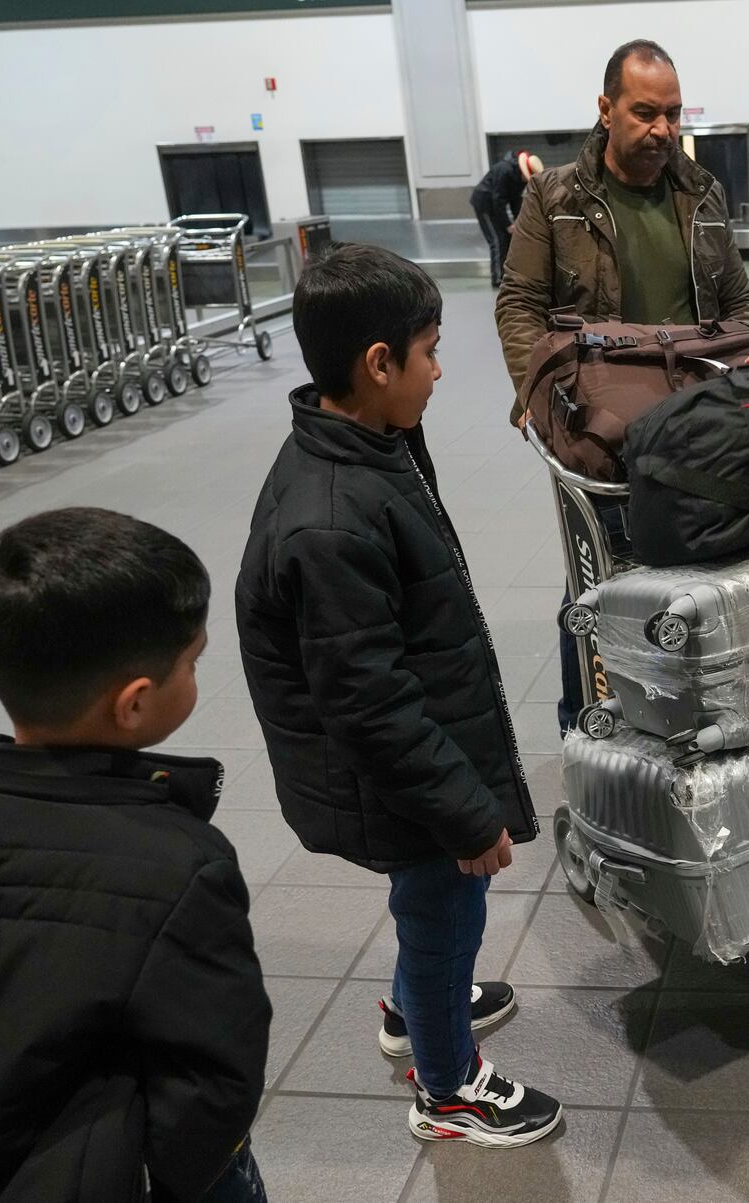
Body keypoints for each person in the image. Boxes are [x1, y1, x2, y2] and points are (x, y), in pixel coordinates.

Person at [235, 243, 561, 1146]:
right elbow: (368, 700)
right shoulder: (334, 513)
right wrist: (465, 811)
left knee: (433, 914)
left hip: (401, 761)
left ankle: (418, 1006)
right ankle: (447, 1085)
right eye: (430, 351)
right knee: (444, 907)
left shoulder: (362, 439)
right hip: (400, 781)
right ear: (378, 364)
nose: (440, 369)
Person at [0, 508, 272, 1201]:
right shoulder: (179, 866)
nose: (196, 673)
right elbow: (214, 1077)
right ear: (133, 704)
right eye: (192, 662)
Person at [494, 38, 749, 734]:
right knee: (594, 576)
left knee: (695, 571)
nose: (662, 131)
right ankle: (583, 723)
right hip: (600, 429)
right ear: (606, 108)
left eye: (673, 114)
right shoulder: (553, 197)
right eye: (645, 113)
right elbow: (519, 302)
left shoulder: (701, 193)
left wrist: (742, 379)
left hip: (694, 423)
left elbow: (740, 302)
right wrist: (539, 392)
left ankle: (684, 718)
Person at [472, 150, 543, 289]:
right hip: (484, 204)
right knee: (496, 240)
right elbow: (498, 199)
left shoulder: (518, 178)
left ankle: (507, 274)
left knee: (506, 239)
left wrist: (518, 220)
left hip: (495, 204)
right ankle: (497, 278)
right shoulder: (504, 171)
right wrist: (507, 224)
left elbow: (516, 200)